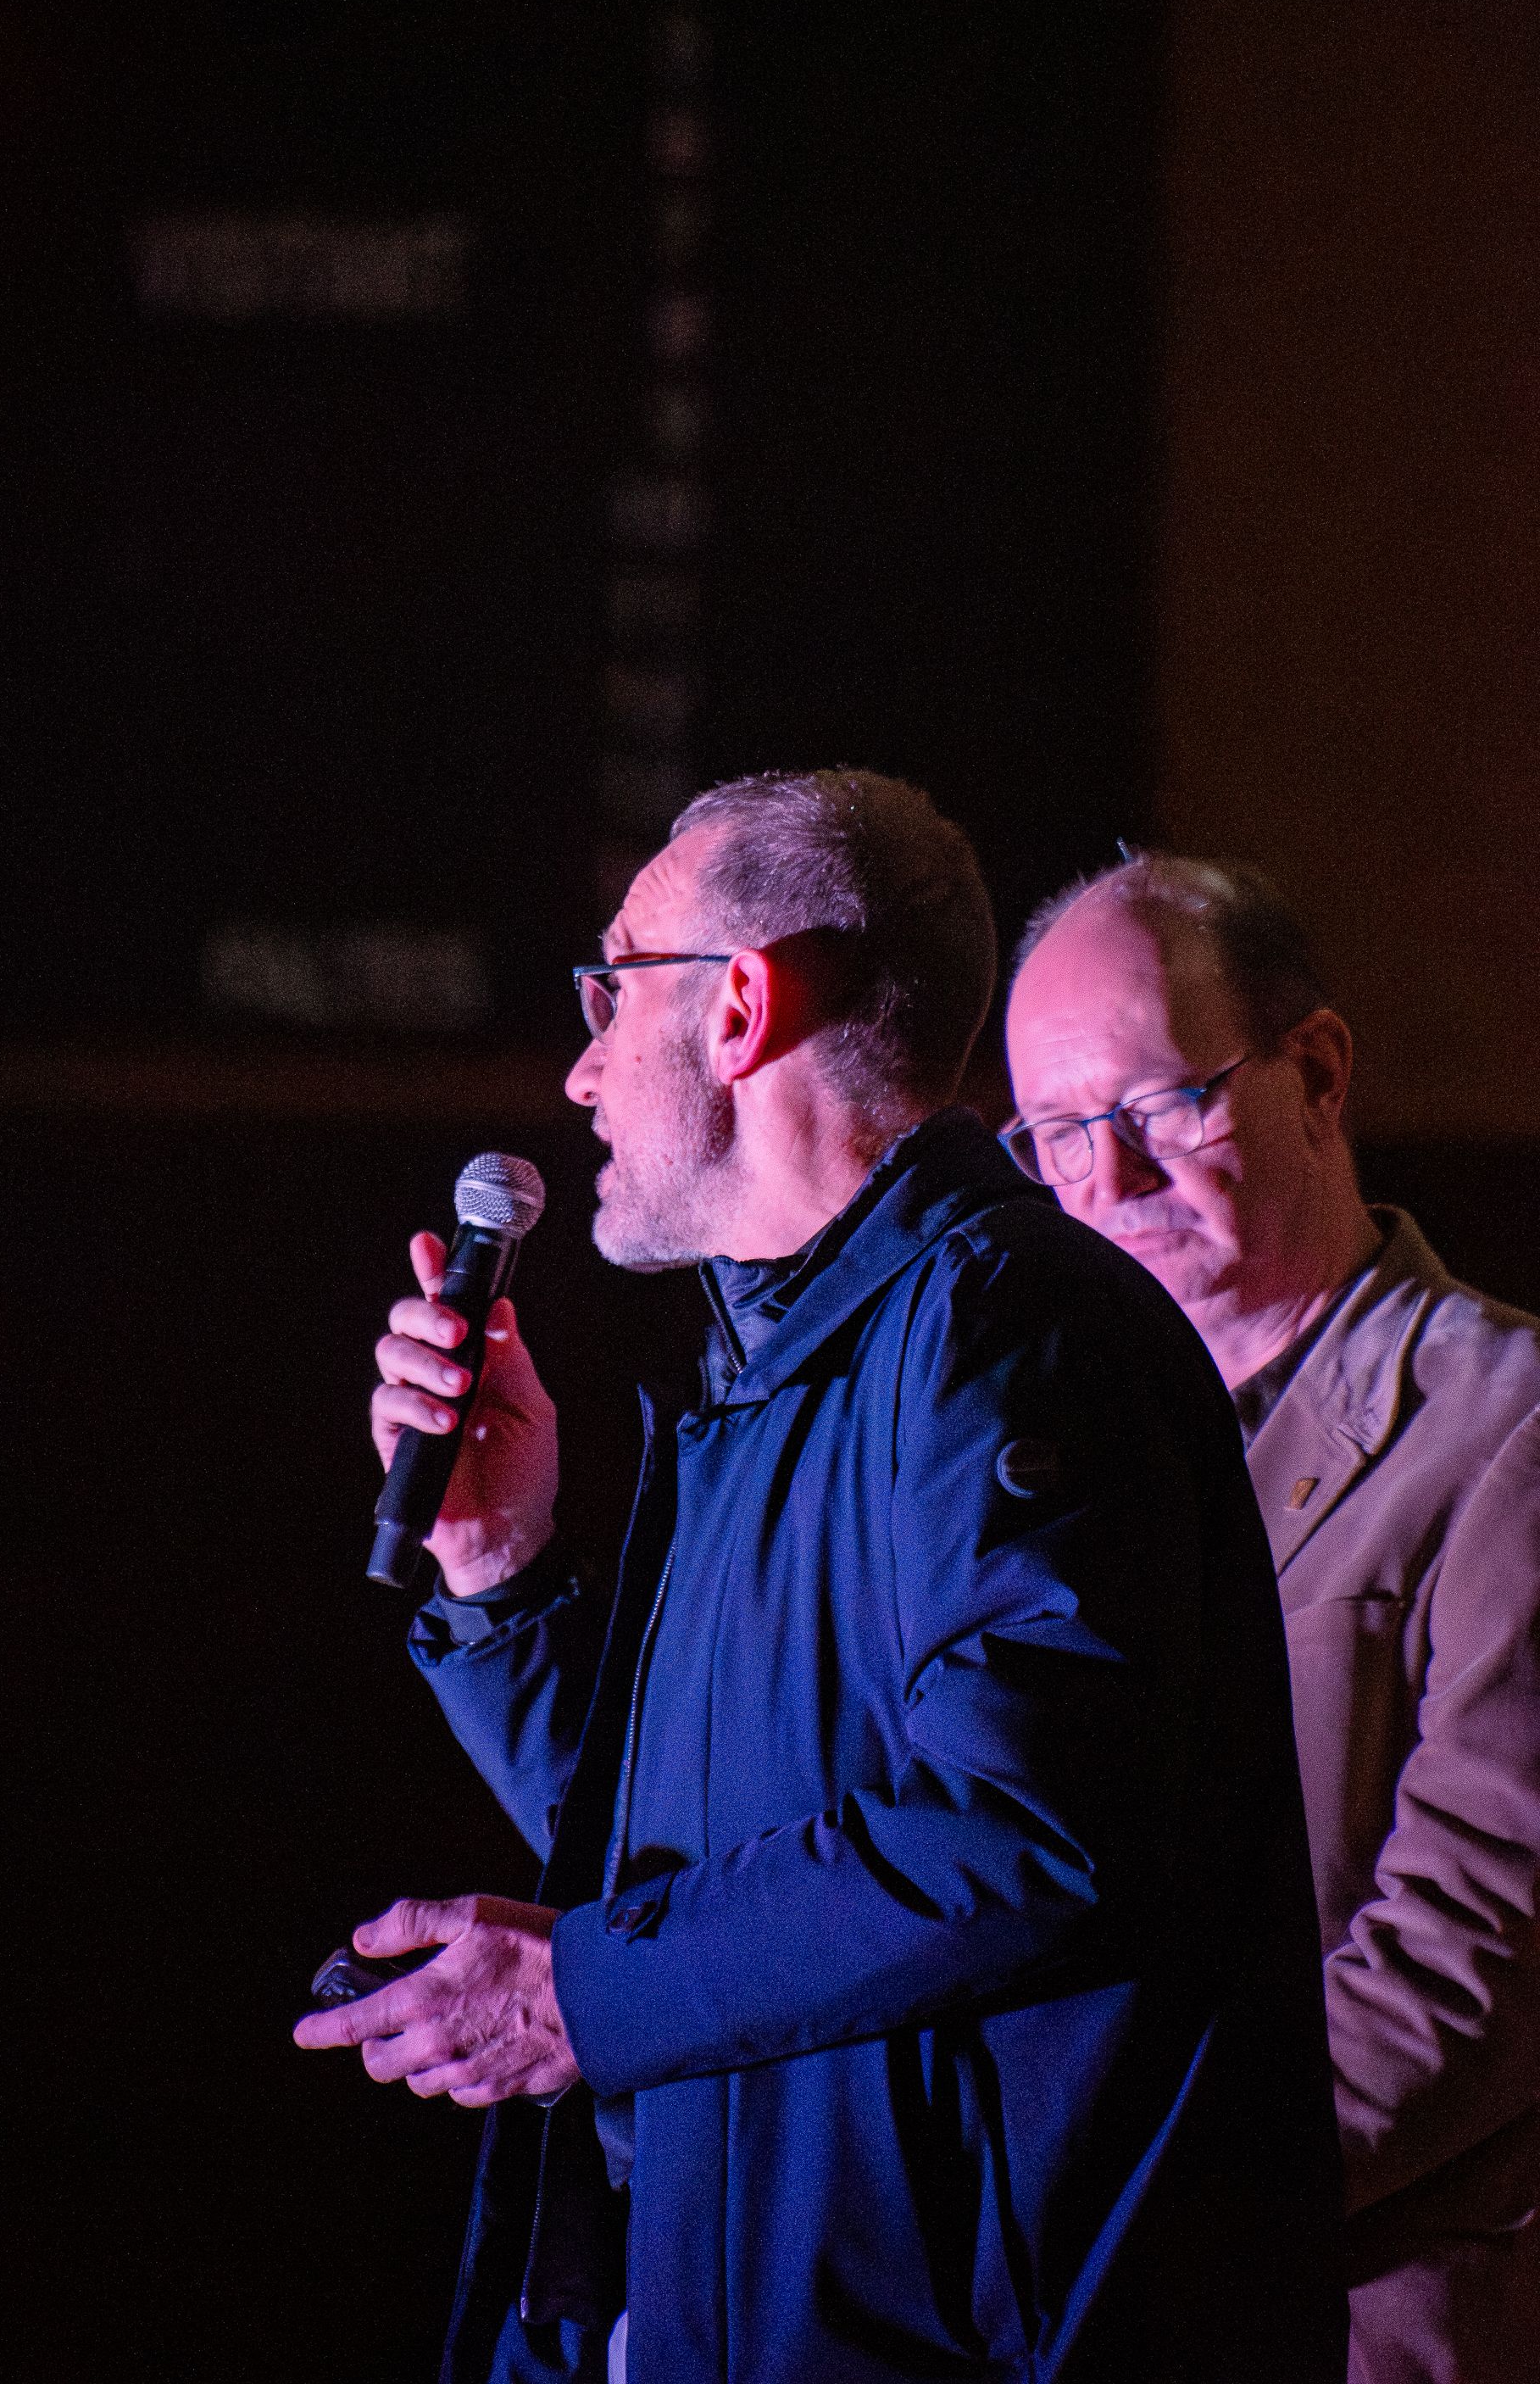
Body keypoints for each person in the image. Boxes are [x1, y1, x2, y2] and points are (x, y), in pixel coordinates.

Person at [297, 771, 1346, 2384]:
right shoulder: (774, 1372)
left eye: (611, 984)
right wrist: (503, 1577)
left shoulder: (1013, 1335)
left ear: (738, 1005)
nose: (578, 1072)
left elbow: (1024, 1836)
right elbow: (720, 1865)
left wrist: (581, 1992)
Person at [1004, 851, 1540, 2384]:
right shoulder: (1066, 1466)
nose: (1101, 1186)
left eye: (1154, 1109)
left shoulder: (1509, 1432)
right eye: (1051, 1138)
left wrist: (1090, 2218)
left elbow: (1466, 1970)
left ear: (1317, 1072)